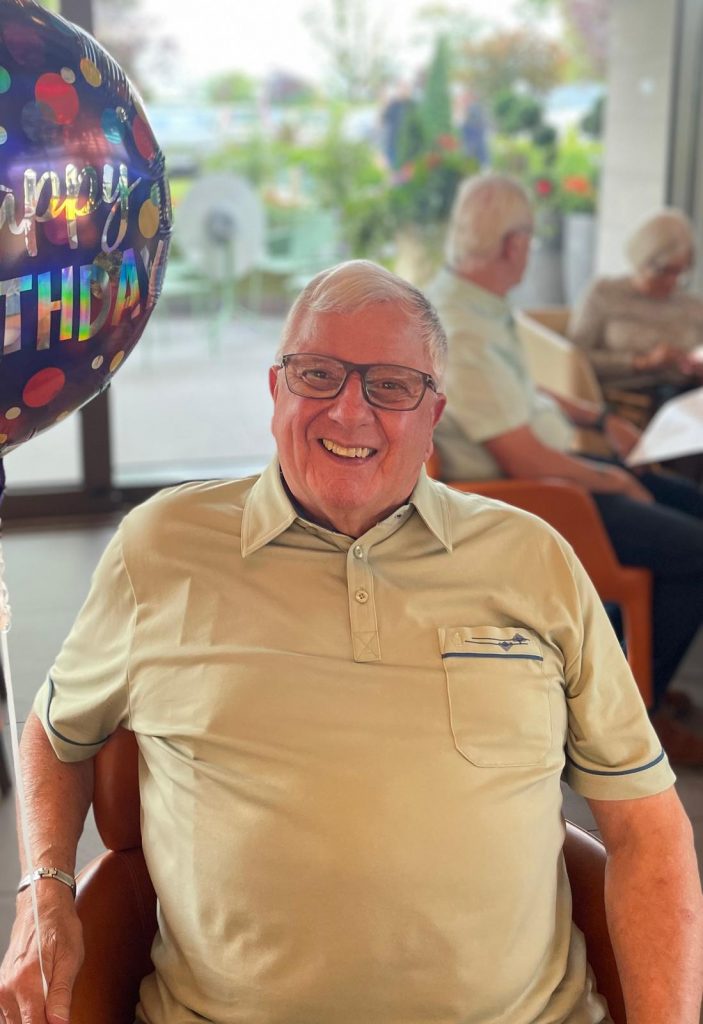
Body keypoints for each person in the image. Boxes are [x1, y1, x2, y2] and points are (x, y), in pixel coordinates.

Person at [1, 260, 702, 1024]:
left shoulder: (531, 559)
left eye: (391, 386)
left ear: (434, 416)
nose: (347, 411)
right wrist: (43, 887)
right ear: (276, 390)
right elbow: (57, 733)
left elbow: (646, 827)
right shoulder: (161, 547)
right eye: (318, 374)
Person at [426, 173, 703, 766]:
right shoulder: (463, 326)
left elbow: (524, 392)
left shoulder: (475, 302)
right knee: (693, 551)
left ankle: (632, 673)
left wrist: (600, 418)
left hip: (555, 472)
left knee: (687, 504)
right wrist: (615, 479)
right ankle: (630, 714)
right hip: (531, 494)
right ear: (512, 244)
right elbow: (522, 456)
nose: (530, 249)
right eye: (529, 238)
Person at [568, 208, 703, 398]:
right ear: (643, 259)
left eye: (679, 272)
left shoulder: (692, 305)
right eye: (664, 270)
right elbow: (575, 357)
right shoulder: (604, 294)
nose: (672, 281)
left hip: (683, 396)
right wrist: (642, 362)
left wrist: (696, 367)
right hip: (627, 399)